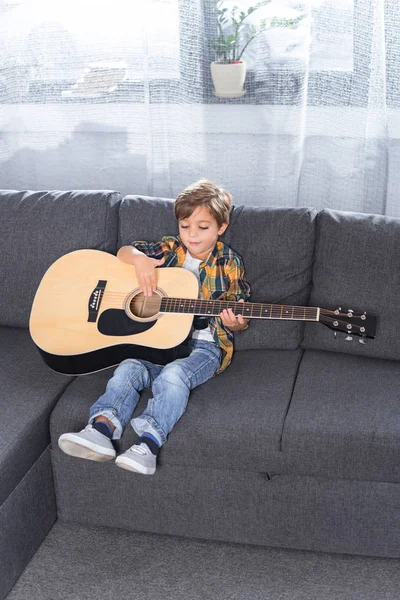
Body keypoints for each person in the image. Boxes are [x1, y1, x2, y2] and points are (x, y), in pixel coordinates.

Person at [58, 179, 251, 475]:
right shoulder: (170, 248)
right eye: (185, 226)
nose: (192, 235)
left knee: (173, 376)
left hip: (205, 346)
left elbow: (239, 310)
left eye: (202, 227)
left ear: (221, 227)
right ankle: (101, 429)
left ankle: (148, 444)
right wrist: (139, 260)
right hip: (157, 342)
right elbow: (123, 253)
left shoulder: (228, 261)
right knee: (128, 368)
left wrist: (235, 323)